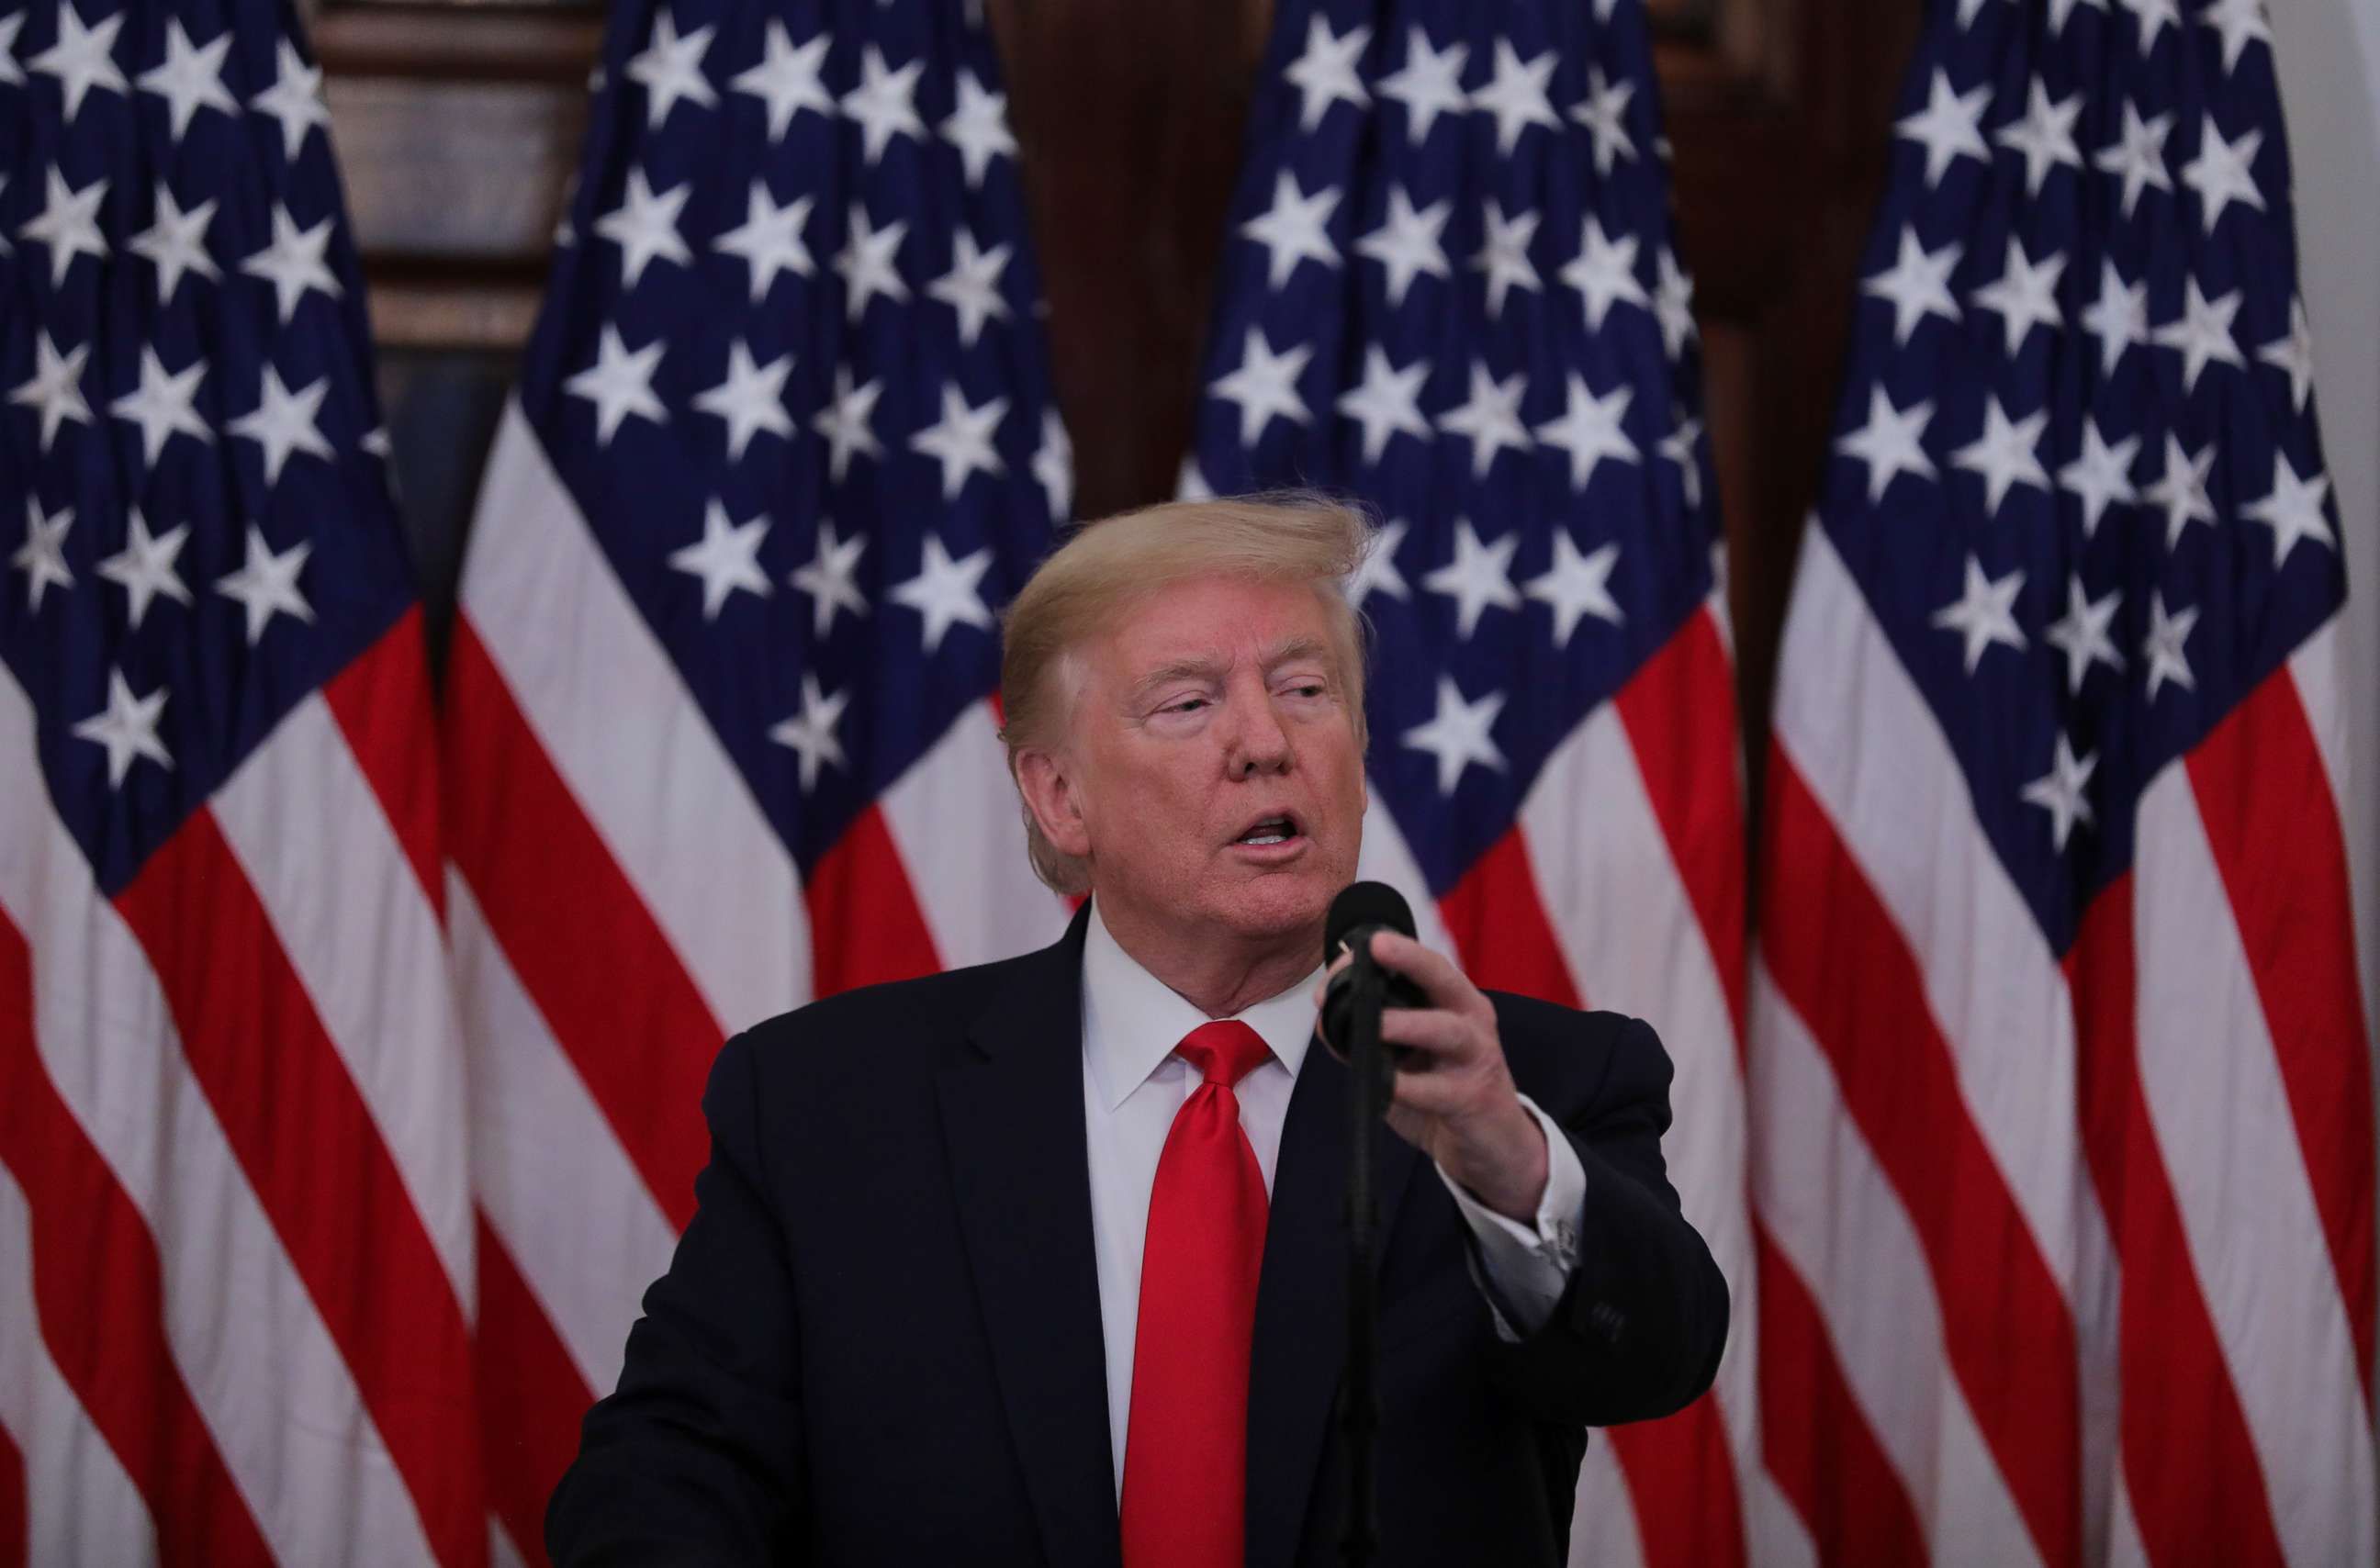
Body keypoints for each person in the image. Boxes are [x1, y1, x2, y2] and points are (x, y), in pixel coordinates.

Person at [546, 493, 1728, 1567]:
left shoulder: (1532, 1085)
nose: (1267, 741)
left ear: (1360, 754)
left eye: (1307, 691)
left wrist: (1507, 1161)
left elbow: (1657, 1364)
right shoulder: (825, 1106)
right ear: (1060, 796)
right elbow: (662, 1486)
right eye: (1190, 701)